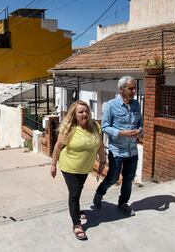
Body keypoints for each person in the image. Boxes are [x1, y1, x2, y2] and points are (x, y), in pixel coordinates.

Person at [50, 100, 105, 240]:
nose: (84, 114)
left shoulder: (95, 127)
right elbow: (57, 146)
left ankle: (76, 210)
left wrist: (103, 161)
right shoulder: (69, 128)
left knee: (78, 189)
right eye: (80, 112)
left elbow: (100, 145)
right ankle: (77, 224)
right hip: (69, 166)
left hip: (85, 167)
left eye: (86, 111)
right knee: (74, 193)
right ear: (74, 115)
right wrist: (53, 164)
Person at [93, 76, 143, 216]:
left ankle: (123, 203)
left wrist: (139, 131)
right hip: (117, 151)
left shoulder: (136, 104)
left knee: (128, 178)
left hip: (132, 150)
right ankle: (100, 192)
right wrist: (122, 133)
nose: (134, 91)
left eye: (135, 88)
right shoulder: (110, 105)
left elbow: (140, 124)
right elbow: (105, 127)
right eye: (131, 88)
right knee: (113, 178)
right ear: (121, 90)